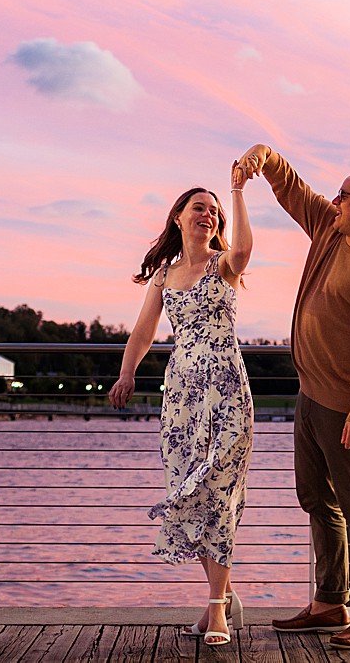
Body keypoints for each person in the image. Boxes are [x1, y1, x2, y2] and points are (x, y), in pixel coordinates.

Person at [235, 144, 350, 651]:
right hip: (309, 394)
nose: (334, 200)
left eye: (345, 194)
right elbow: (294, 190)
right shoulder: (332, 229)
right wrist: (263, 157)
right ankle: (330, 600)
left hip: (345, 405)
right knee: (316, 498)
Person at [111, 175, 256, 647]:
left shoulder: (225, 265)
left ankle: (216, 609)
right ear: (178, 217)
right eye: (199, 206)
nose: (207, 214)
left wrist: (235, 192)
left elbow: (246, 249)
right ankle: (222, 595)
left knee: (219, 488)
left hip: (227, 387)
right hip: (182, 392)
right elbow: (143, 331)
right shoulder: (164, 275)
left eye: (214, 211)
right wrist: (127, 373)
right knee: (189, 491)